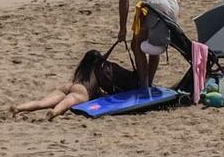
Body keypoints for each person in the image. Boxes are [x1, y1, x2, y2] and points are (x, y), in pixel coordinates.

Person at [110, 0, 188, 90]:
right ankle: (148, 83)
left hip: (156, 3)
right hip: (172, 3)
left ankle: (144, 85)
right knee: (153, 44)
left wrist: (122, 28)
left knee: (136, 45)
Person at [8, 47, 136, 119]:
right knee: (64, 104)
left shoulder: (82, 68)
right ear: (97, 62)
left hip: (68, 86)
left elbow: (102, 58)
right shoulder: (97, 69)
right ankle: (54, 113)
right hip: (81, 92)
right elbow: (103, 62)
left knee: (43, 102)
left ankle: (19, 108)